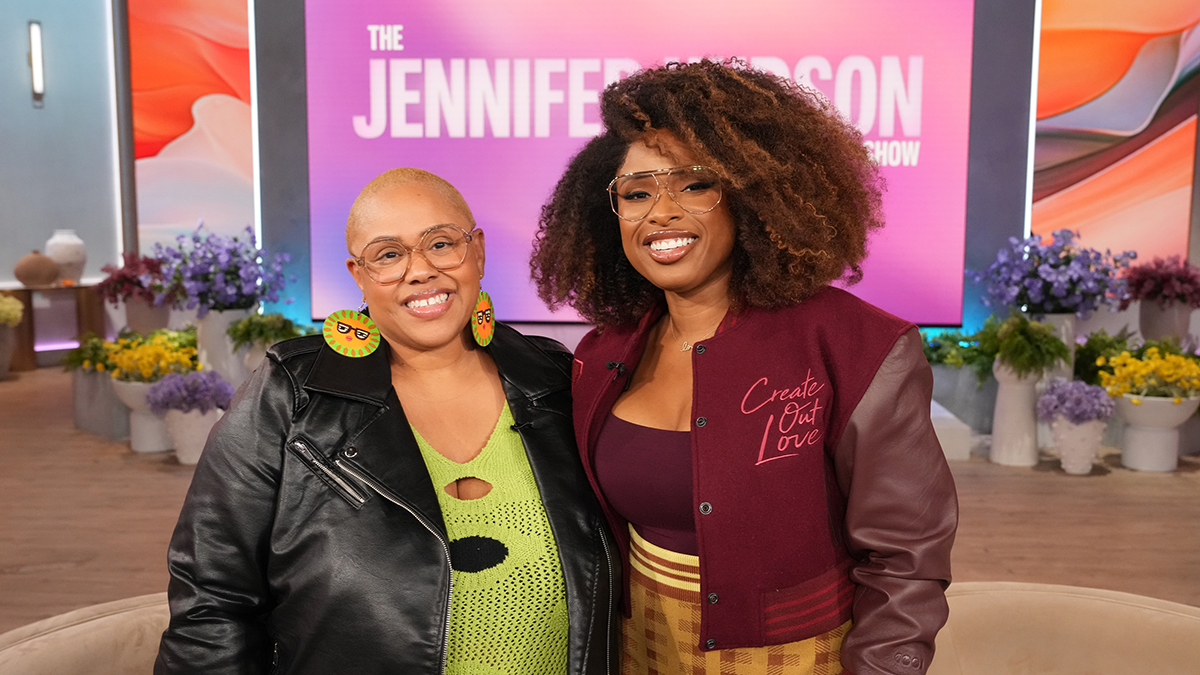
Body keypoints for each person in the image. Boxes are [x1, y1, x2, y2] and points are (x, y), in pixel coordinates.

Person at [530, 60, 957, 675]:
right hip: (634, 650)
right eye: (637, 191)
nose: (661, 212)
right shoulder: (603, 352)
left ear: (751, 191)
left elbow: (907, 556)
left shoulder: (856, 345)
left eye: (694, 184)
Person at [155, 168, 619, 674]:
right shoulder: (289, 394)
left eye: (441, 244)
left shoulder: (554, 379)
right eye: (389, 254)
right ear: (359, 274)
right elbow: (211, 601)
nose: (419, 271)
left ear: (478, 252)